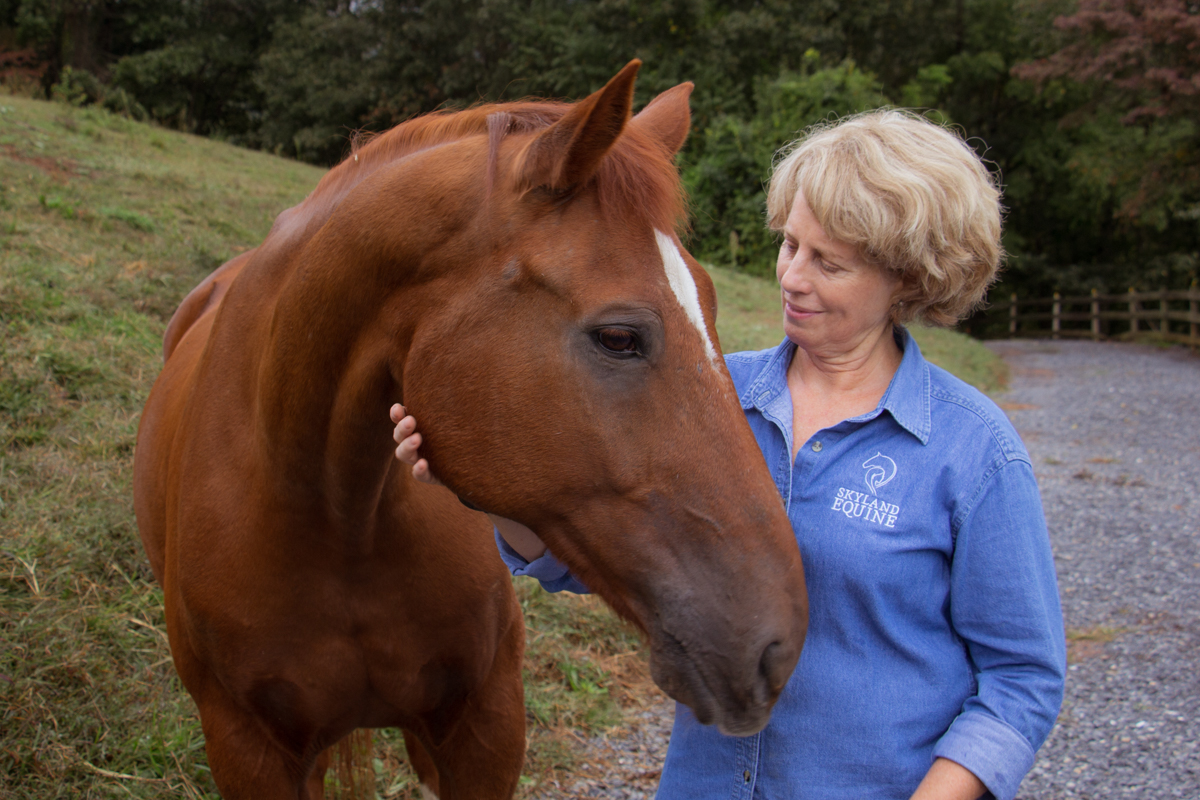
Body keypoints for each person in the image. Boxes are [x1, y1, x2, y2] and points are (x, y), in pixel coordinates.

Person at [390, 109, 1066, 800]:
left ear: (909, 279)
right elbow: (593, 559)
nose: (792, 278)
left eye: (827, 262)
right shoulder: (714, 391)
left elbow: (1022, 679)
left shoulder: (971, 449)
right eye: (789, 245)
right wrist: (484, 493)